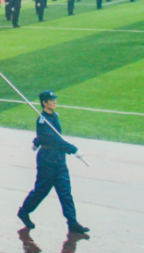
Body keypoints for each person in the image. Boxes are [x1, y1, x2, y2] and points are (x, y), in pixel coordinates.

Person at [17, 90, 90, 235]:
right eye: (51, 100)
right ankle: (24, 211)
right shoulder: (42, 120)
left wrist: (36, 142)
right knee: (41, 191)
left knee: (65, 192)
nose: (55, 102)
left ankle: (72, 223)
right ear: (44, 103)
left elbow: (47, 135)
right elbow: (53, 139)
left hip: (59, 159)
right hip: (47, 161)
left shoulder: (54, 116)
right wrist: (73, 149)